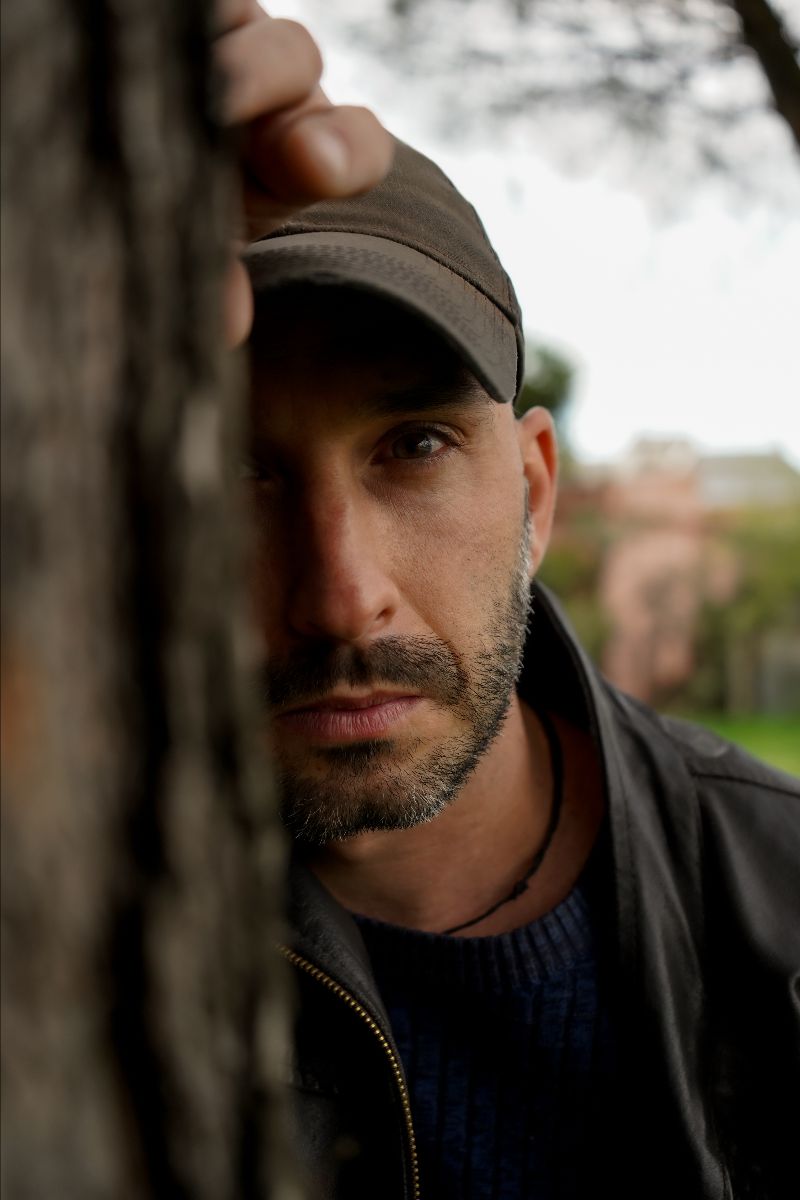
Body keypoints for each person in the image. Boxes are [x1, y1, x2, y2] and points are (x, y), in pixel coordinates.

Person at [221, 11, 800, 1200]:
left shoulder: (779, 897)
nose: (343, 599)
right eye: (233, 474)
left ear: (534, 495)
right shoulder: (56, 928)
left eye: (413, 446)